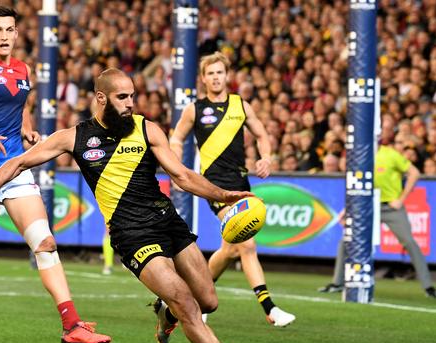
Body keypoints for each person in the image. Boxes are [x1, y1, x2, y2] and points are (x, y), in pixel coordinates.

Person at [0, 68, 253, 343]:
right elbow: (19, 162)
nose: (130, 103)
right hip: (131, 234)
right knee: (186, 303)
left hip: (167, 221)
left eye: (132, 95)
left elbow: (182, 176)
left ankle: (165, 312)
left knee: (208, 301)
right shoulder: (75, 137)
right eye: (122, 97)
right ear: (101, 98)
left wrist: (222, 195)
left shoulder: (147, 129)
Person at [0, 6, 110, 343]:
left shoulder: (23, 70)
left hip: (14, 169)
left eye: (10, 30)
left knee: (46, 243)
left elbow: (20, 106)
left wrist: (26, 131)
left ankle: (72, 325)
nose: (5, 36)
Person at [169, 52, 296, 328]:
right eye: (210, 73)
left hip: (241, 184)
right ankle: (270, 309)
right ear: (203, 79)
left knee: (229, 250)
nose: (215, 77)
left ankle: (195, 299)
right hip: (213, 187)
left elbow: (262, 135)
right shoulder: (194, 109)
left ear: (227, 76)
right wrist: (175, 160)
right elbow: (177, 137)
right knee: (247, 244)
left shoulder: (241, 106)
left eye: (219, 73)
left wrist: (266, 157)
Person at [318, 139, 436, 298]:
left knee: (409, 242)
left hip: (390, 207)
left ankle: (428, 287)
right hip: (367, 206)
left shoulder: (390, 154)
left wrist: (401, 199)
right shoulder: (359, 154)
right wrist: (347, 209)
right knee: (346, 240)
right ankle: (337, 283)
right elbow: (357, 184)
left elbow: (414, 172)